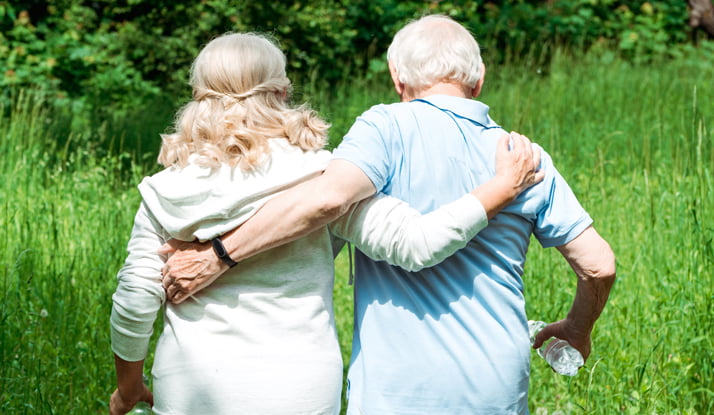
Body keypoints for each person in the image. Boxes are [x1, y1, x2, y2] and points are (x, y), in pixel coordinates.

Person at [160, 15, 617, 414]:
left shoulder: (383, 129)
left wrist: (217, 254)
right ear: (479, 80)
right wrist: (577, 328)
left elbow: (325, 200)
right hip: (494, 389)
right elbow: (599, 265)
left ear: (397, 77)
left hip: (391, 392)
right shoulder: (523, 157)